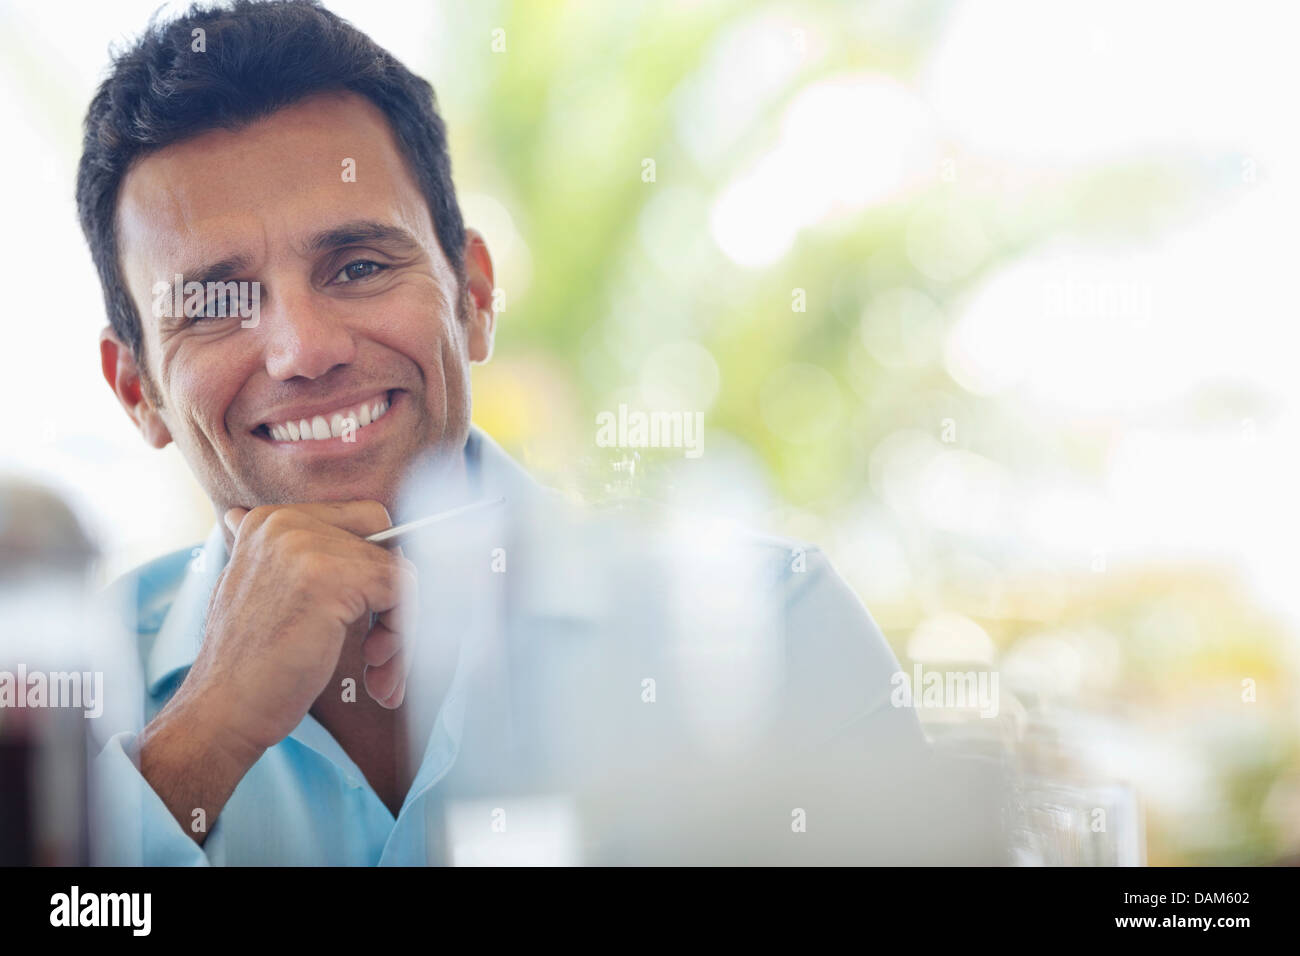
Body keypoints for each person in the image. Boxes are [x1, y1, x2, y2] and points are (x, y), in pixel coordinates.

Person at [78, 0, 925, 865]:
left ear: (473, 298)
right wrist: (196, 746)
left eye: (360, 266)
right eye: (217, 304)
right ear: (137, 389)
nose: (305, 350)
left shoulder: (780, 629)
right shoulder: (45, 703)